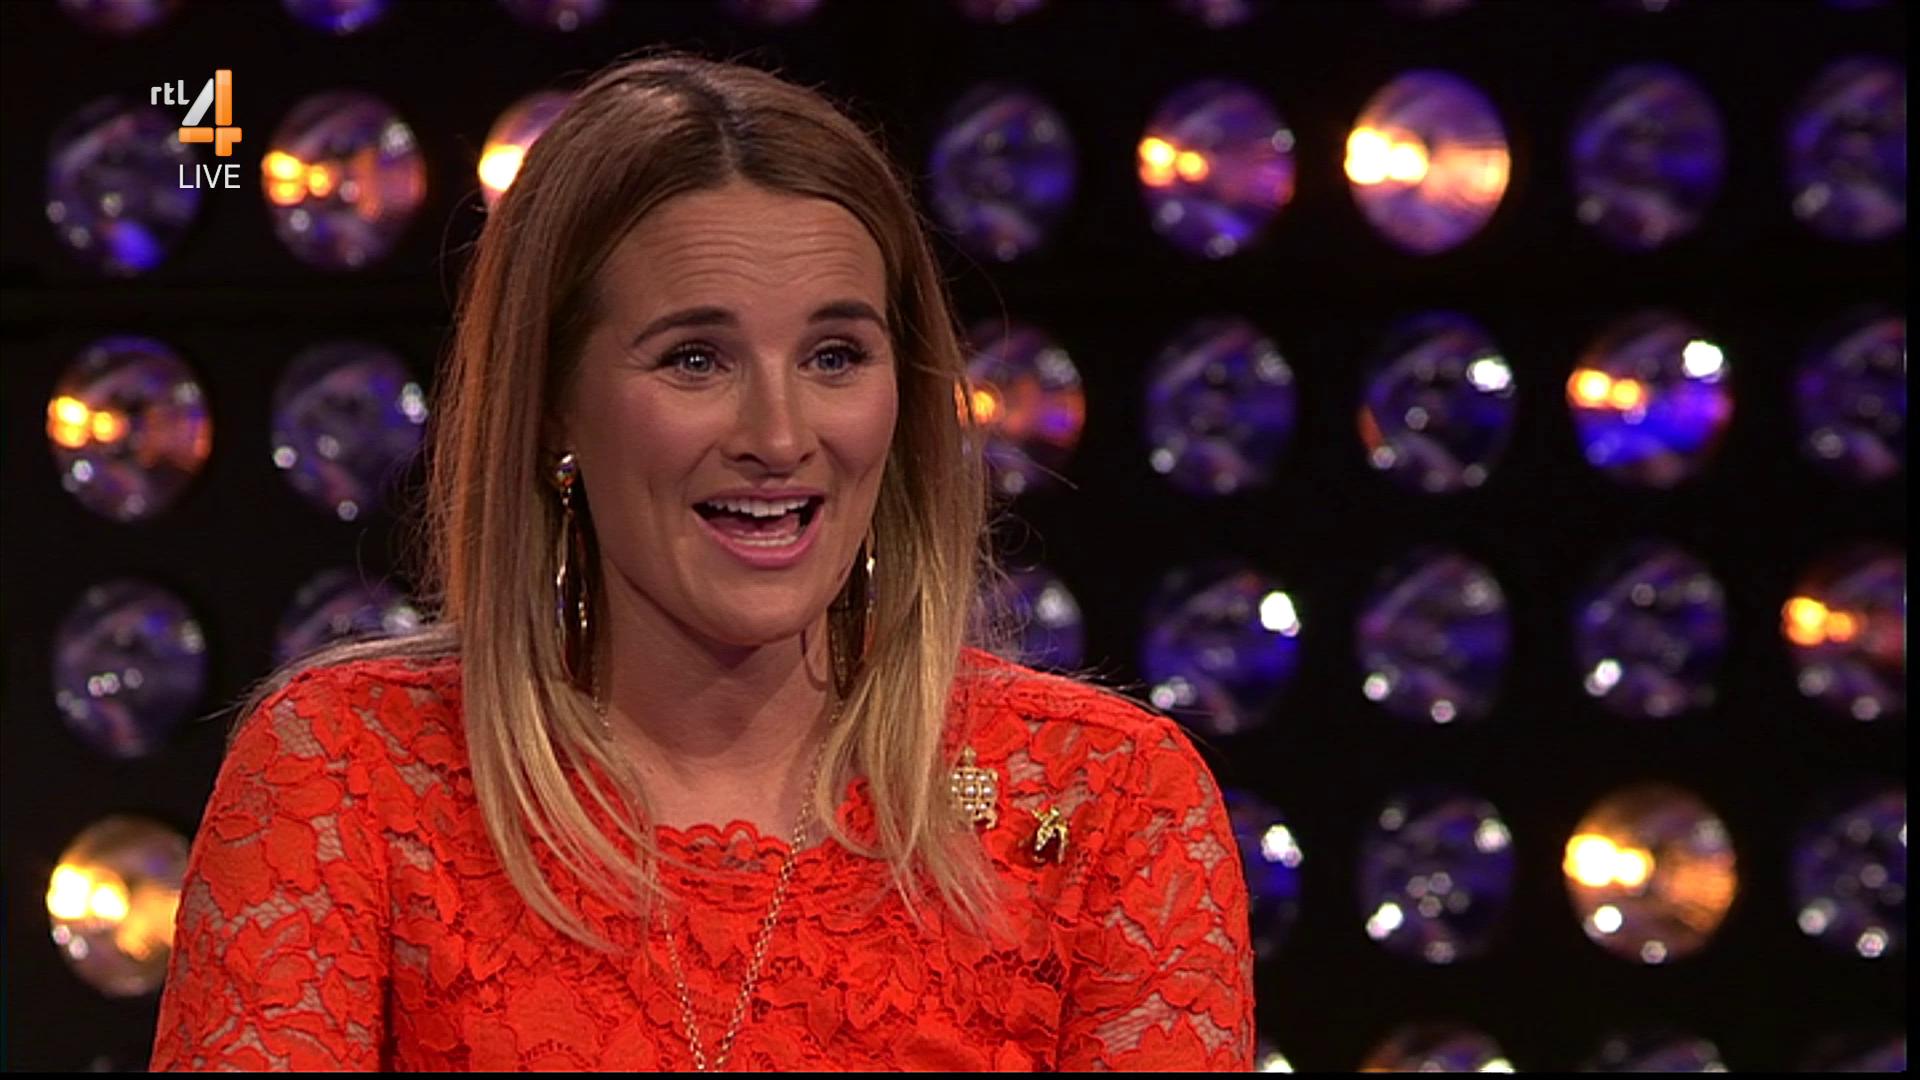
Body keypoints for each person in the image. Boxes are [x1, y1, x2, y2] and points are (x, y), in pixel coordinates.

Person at [149, 50, 1255, 1072]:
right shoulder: (350, 777)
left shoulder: (1108, 802)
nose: (779, 435)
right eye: (694, 359)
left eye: (836, 355)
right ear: (552, 405)